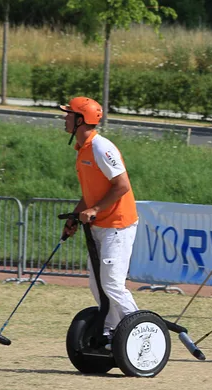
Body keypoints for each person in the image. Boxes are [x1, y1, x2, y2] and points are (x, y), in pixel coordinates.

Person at [59, 97, 139, 347]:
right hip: (99, 226)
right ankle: (110, 332)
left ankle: (139, 331)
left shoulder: (101, 147)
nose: (64, 117)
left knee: (112, 285)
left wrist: (94, 209)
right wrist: (75, 216)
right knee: (97, 285)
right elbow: (92, 193)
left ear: (80, 120)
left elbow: (122, 185)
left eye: (69, 114)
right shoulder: (82, 149)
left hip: (118, 225)